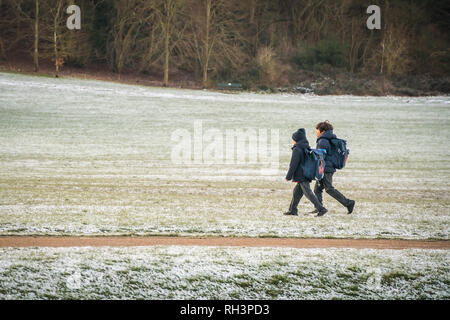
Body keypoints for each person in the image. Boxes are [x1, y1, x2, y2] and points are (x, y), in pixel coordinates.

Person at [310, 121, 355, 214]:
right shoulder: (328, 139)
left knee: (329, 188)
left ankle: (348, 203)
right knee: (317, 189)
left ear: (322, 131)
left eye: (317, 130)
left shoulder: (323, 141)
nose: (316, 132)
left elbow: (321, 156)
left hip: (326, 168)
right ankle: (319, 208)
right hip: (328, 167)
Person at [284, 128, 328, 217]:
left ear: (297, 139)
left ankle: (321, 209)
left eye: (293, 139)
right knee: (297, 192)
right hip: (306, 173)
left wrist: (288, 176)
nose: (292, 140)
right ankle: (293, 210)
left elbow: (293, 164)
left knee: (308, 193)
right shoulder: (305, 147)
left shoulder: (297, 149)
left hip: (301, 174)